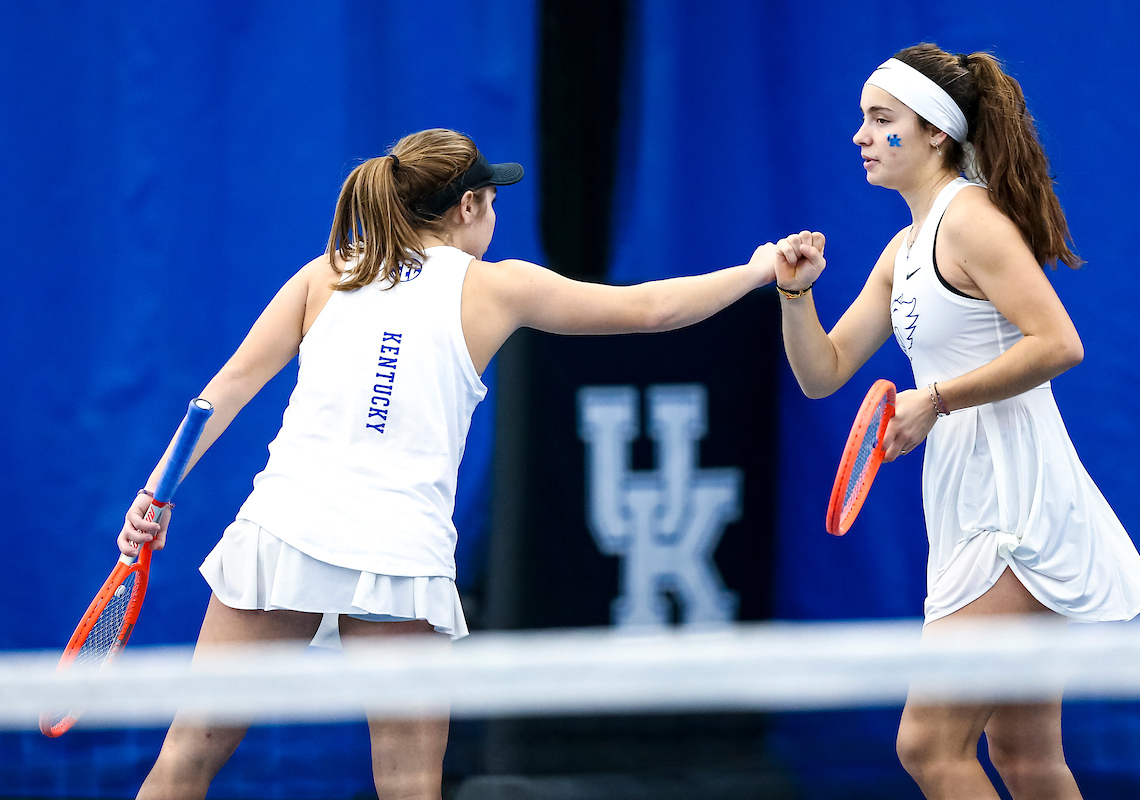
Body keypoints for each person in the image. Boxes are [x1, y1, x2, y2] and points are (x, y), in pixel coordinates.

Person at [120, 127, 782, 799]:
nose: (495, 218)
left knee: (184, 761)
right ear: (468, 207)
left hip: (284, 534)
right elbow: (651, 310)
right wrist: (759, 270)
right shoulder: (500, 288)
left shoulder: (328, 272)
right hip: (396, 555)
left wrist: (155, 493)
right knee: (410, 787)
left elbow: (225, 387)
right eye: (493, 203)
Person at [771, 44, 1140, 800]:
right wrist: (795, 296)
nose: (860, 135)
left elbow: (1060, 343)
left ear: (935, 134)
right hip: (966, 508)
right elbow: (822, 373)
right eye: (862, 118)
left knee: (928, 744)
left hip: (1017, 512)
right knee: (1023, 754)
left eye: (881, 120)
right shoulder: (903, 249)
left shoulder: (974, 221)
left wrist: (938, 398)